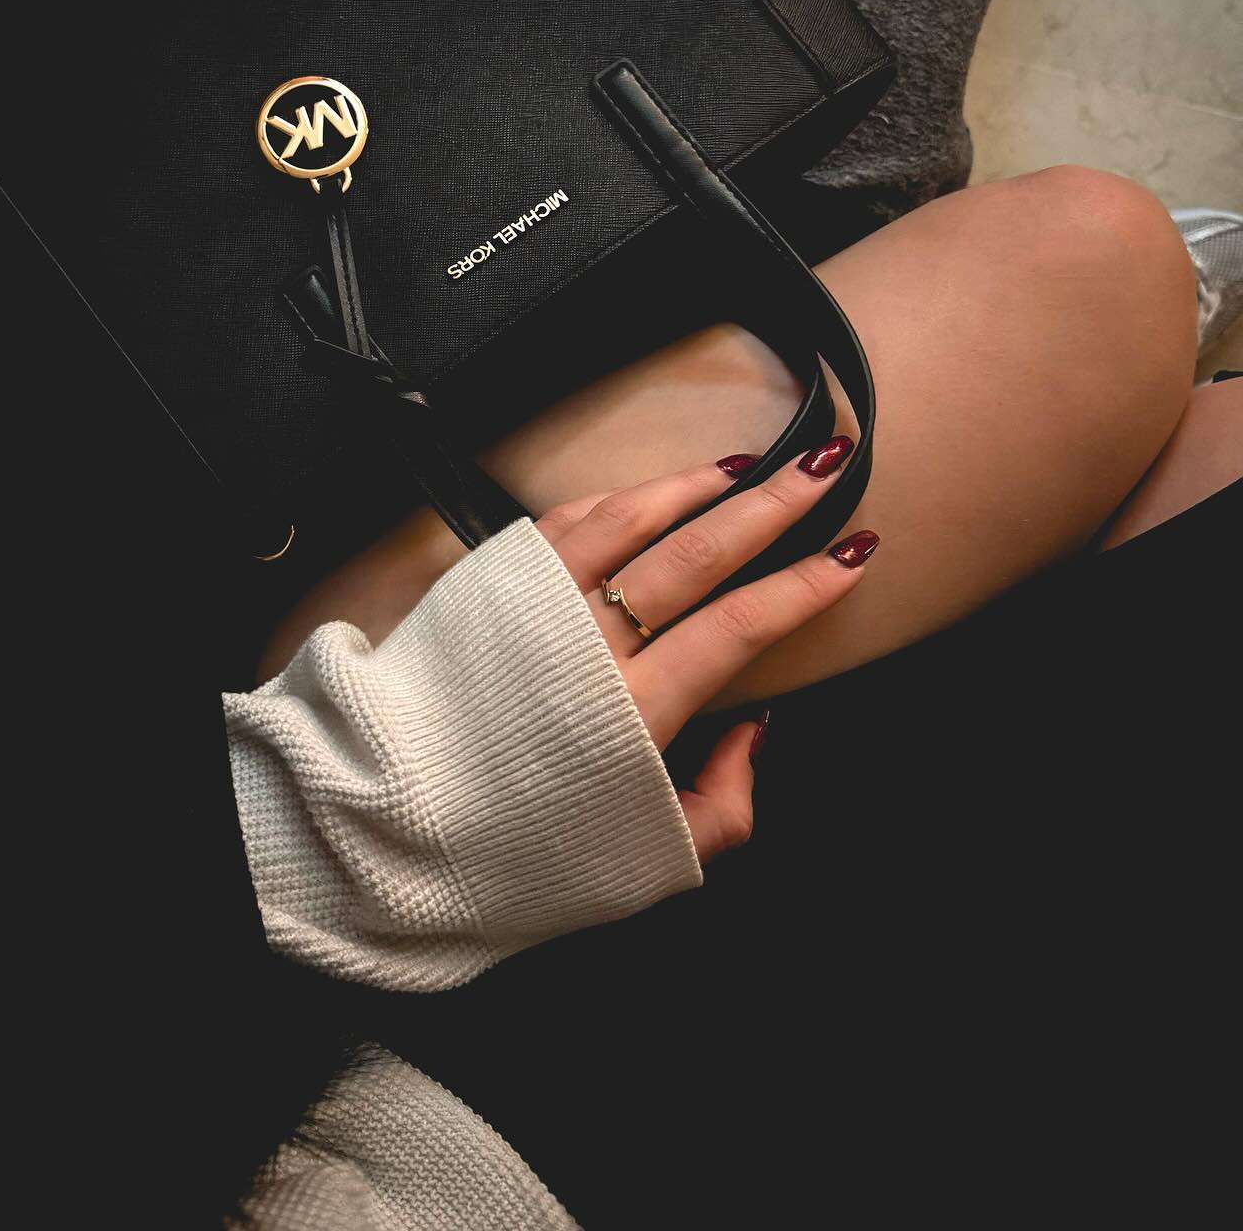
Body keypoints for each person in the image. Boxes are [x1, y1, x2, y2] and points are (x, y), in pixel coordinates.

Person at [217, 167, 1243, 1226]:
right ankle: (1145, 433)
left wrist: (335, 834)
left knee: (1089, 261)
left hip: (276, 991)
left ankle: (1134, 425)